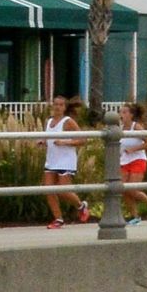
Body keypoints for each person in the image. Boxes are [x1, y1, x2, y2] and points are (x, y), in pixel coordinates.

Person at [39, 96, 84, 227]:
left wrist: (64, 142)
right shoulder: (49, 122)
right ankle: (58, 219)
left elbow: (82, 140)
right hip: (52, 160)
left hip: (65, 160)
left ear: (64, 107)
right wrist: (44, 142)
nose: (57, 107)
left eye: (60, 105)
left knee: (63, 191)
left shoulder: (68, 121)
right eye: (55, 104)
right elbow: (49, 139)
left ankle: (81, 206)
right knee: (48, 190)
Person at [114, 101, 147, 219]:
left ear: (131, 115)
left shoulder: (136, 127)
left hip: (138, 159)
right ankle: (135, 217)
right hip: (124, 161)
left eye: (124, 112)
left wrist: (133, 149)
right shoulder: (120, 129)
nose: (121, 115)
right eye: (120, 112)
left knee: (132, 189)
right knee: (123, 189)